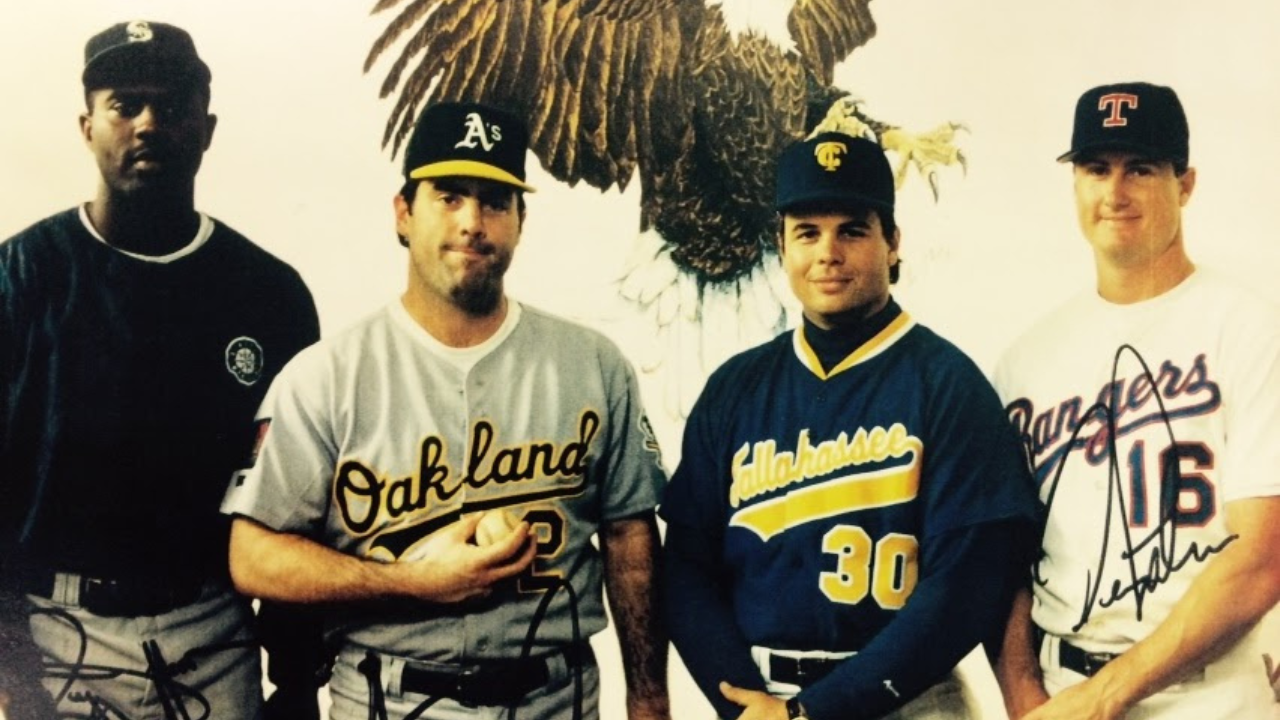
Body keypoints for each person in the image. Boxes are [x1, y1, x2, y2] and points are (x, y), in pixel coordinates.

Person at [221, 100, 671, 720]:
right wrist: (413, 582)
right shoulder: (326, 376)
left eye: (494, 200)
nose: (473, 222)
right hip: (391, 694)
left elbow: (629, 534)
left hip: (556, 696)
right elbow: (252, 555)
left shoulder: (593, 364)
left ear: (519, 219)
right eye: (449, 196)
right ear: (404, 213)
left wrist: (649, 699)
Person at [0, 19, 320, 719]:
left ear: (204, 129)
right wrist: (10, 669)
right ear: (87, 125)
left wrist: (294, 680)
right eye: (124, 104)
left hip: (212, 631)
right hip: (59, 633)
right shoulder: (19, 278)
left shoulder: (269, 294)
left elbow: (301, 502)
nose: (148, 124)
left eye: (170, 107)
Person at [660, 131, 1039, 720]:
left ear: (892, 242)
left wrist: (815, 712)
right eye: (807, 232)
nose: (827, 252)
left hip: (909, 701)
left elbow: (968, 584)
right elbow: (685, 564)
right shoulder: (736, 389)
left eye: (852, 230)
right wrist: (741, 700)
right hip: (761, 696)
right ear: (781, 246)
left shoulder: (948, 384)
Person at [992, 81, 1280, 720]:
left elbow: (1263, 553)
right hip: (1059, 692)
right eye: (1096, 169)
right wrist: (1021, 697)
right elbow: (1002, 559)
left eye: (1141, 169)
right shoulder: (1022, 363)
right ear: (1075, 186)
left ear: (1186, 184)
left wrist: (1103, 697)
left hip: (1210, 694)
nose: (1115, 193)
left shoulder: (1251, 329)